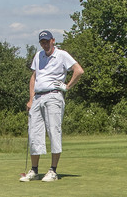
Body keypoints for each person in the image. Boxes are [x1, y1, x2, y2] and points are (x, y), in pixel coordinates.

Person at [19, 30, 82, 182]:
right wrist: (30, 99)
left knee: (54, 131)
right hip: (38, 97)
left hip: (54, 96)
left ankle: (53, 171)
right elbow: (33, 77)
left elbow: (78, 71)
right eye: (42, 42)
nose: (45, 44)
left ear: (53, 40)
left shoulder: (62, 54)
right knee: (34, 133)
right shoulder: (38, 56)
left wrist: (67, 86)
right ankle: (34, 170)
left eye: (47, 41)